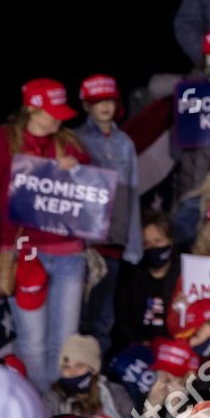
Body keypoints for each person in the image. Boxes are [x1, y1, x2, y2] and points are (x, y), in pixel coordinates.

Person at [0, 78, 91, 392]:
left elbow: (92, 194)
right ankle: (39, 410)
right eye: (51, 112)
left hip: (68, 255)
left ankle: (60, 410)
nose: (58, 119)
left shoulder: (69, 142)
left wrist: (76, 169)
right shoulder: (3, 139)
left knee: (65, 340)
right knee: (32, 341)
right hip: (24, 255)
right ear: (32, 109)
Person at [73, 74, 141, 356]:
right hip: (84, 241)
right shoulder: (74, 138)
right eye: (96, 101)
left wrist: (133, 243)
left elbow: (133, 191)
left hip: (113, 238)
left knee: (104, 315)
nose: (104, 106)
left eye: (109, 100)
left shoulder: (125, 142)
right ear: (86, 106)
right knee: (79, 313)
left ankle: (97, 377)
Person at [114, 210, 181, 350]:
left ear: (171, 241)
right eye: (146, 243)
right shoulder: (130, 272)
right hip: (137, 347)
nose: (152, 247)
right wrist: (140, 342)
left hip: (175, 348)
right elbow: (123, 316)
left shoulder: (185, 271)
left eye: (158, 241)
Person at [42, 334, 134, 418]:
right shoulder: (53, 398)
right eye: (66, 367)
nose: (72, 372)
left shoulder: (115, 392)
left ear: (93, 370)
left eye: (79, 365)